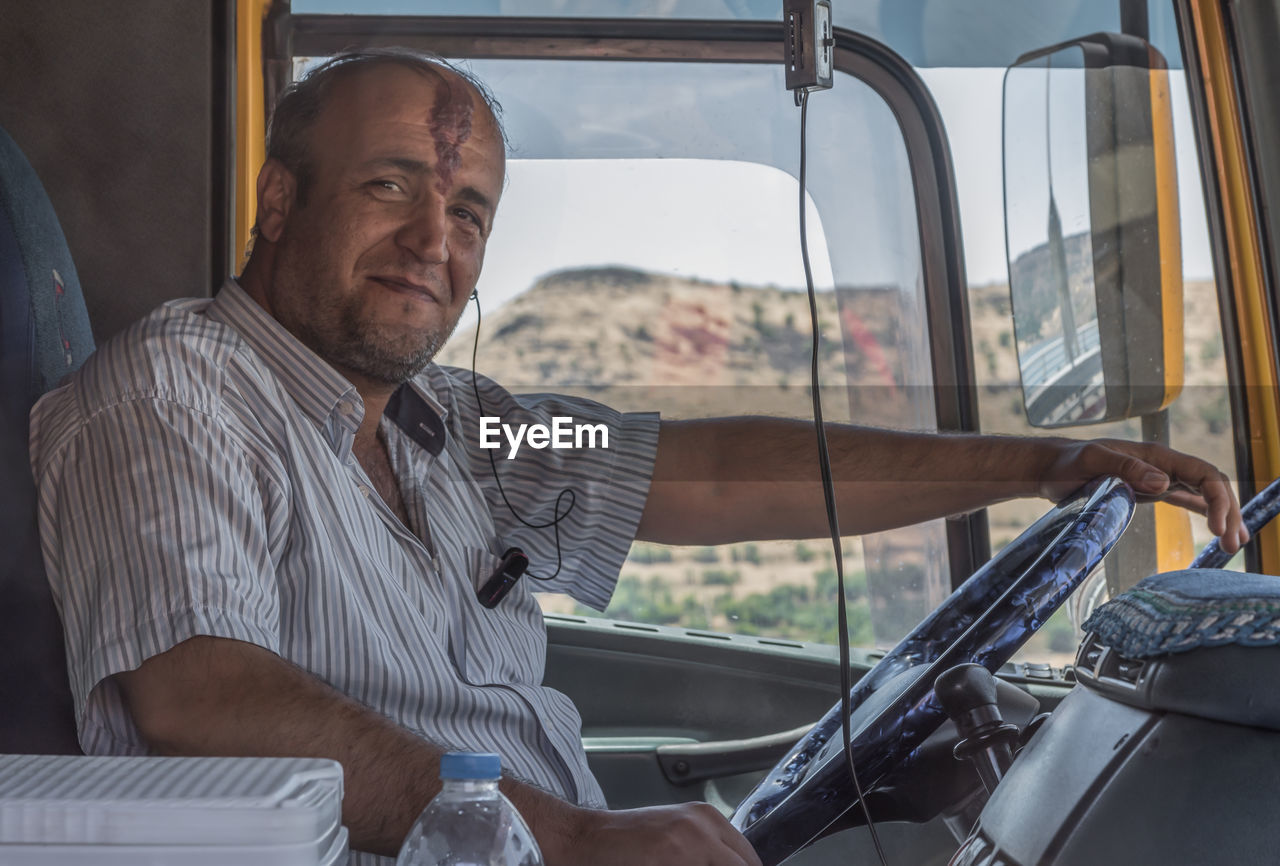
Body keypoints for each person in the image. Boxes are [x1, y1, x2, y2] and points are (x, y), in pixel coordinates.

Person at [29, 50, 1246, 866]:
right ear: (279, 201)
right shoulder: (175, 388)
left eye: (465, 215)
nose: (429, 242)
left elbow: (697, 472)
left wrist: (1040, 465)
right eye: (389, 186)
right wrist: (561, 834)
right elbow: (197, 690)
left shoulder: (459, 427)